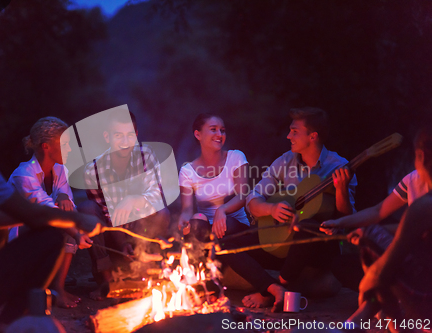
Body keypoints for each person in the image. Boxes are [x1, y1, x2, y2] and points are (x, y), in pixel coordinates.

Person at [0, 101, 102, 332]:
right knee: (51, 236)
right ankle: (6, 325)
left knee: (3, 224)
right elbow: (35, 214)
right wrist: (78, 222)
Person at [244, 107, 357, 308]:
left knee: (307, 225)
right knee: (226, 241)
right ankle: (274, 288)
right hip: (283, 245)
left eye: (294, 132)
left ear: (313, 136)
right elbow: (254, 198)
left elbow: (347, 218)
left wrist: (341, 190)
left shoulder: (339, 166)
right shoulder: (284, 161)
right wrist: (271, 210)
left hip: (317, 249)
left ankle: (272, 292)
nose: (288, 136)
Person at [177, 113, 288, 312]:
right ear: (198, 134)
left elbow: (244, 195)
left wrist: (222, 209)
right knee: (196, 221)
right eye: (213, 129)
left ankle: (269, 288)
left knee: (224, 226)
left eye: (222, 130)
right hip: (207, 237)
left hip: (236, 228)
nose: (219, 134)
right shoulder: (187, 171)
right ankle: (200, 288)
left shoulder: (236, 157)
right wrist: (184, 221)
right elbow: (186, 209)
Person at [345, 126, 432, 328]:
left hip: (426, 300)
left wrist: (366, 286)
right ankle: (374, 317)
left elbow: (386, 267)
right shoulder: (417, 197)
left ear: (420, 156)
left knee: (370, 238)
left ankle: (365, 316)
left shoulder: (424, 206)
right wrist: (340, 223)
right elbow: (406, 232)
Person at [79, 110, 170, 300]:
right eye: (118, 135)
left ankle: (143, 273)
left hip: (141, 230)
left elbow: (156, 194)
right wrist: (122, 243)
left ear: (136, 135)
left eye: (130, 135)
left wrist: (134, 199)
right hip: (111, 234)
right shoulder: (94, 170)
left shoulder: (146, 156)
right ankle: (106, 280)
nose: (124, 141)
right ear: (107, 137)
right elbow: (105, 213)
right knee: (87, 209)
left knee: (162, 212)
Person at [8, 117, 93, 308]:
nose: (70, 149)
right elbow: (47, 210)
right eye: (65, 144)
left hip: (42, 229)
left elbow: (67, 203)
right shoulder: (24, 176)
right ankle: (44, 286)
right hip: (20, 238)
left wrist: (63, 195)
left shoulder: (60, 169)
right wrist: (78, 233)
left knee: (69, 213)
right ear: (45, 146)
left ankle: (57, 286)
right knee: (65, 226)